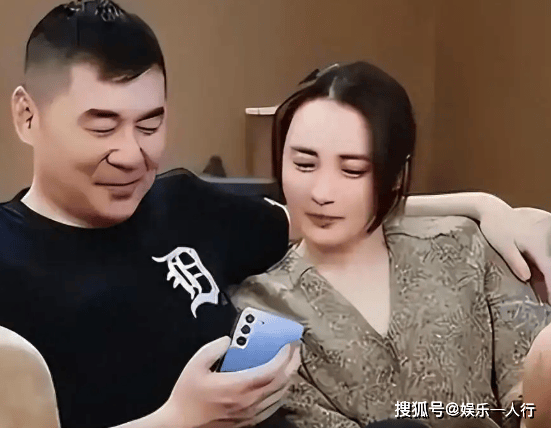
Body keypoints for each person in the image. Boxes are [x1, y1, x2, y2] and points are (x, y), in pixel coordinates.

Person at [0, 0, 549, 428]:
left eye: (150, 124)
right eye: (103, 126)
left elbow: (324, 209)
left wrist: (483, 205)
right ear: (27, 116)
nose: (132, 154)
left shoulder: (181, 203)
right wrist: (177, 419)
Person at [230, 61, 551, 428]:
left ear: (397, 174)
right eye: (304, 164)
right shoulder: (261, 312)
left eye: (352, 170)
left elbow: (529, 396)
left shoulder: (467, 248)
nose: (321, 193)